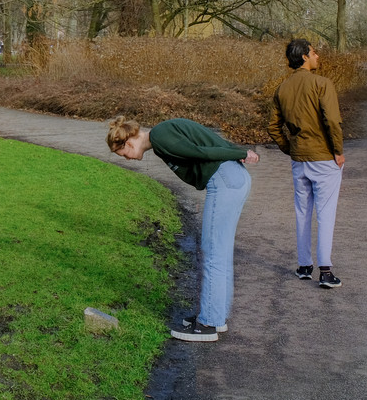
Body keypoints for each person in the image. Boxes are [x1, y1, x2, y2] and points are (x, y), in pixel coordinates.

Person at [107, 116, 259, 342]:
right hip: (233, 179)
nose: (128, 159)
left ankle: (207, 325)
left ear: (128, 143)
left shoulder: (160, 136)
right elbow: (207, 143)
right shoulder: (162, 135)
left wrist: (241, 153)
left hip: (224, 180)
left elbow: (202, 153)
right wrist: (237, 153)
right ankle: (216, 317)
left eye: (123, 155)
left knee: (212, 253)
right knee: (220, 252)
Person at [267, 39, 344, 289]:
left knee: (302, 212)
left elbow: (273, 127)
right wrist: (338, 151)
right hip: (323, 157)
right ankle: (325, 270)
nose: (317, 55)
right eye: (313, 52)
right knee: (325, 213)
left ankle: (303, 266)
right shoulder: (322, 84)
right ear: (303, 57)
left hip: (299, 159)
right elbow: (332, 121)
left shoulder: (282, 88)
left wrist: (289, 148)